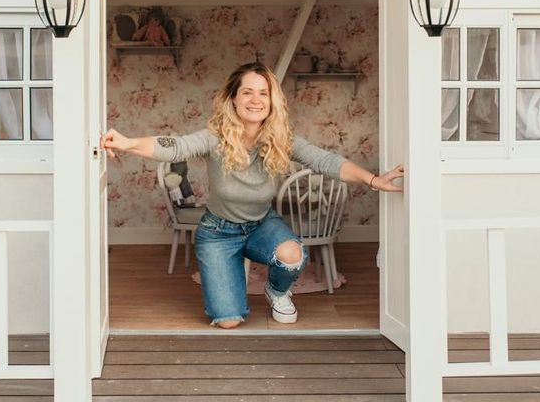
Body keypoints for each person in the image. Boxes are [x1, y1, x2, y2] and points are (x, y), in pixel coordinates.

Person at [100, 61, 403, 329]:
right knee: (228, 321)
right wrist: (127, 143)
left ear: (273, 101)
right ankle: (229, 285)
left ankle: (276, 290)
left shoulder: (283, 140)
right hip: (218, 232)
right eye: (247, 92)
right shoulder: (215, 137)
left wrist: (374, 180)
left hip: (261, 225)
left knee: (291, 255)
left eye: (263, 93)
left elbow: (326, 161)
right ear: (234, 98)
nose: (256, 100)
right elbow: (175, 145)